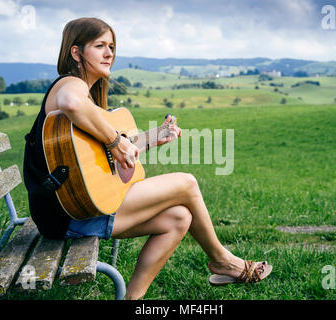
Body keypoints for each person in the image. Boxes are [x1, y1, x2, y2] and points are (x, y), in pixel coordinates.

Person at [23, 17, 272, 300]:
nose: (109, 54)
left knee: (179, 218)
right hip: (68, 213)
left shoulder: (90, 100)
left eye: (112, 47)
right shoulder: (70, 85)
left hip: (73, 212)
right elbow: (72, 105)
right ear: (76, 53)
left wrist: (154, 137)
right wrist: (115, 141)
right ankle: (223, 261)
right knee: (187, 183)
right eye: (100, 46)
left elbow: (98, 153)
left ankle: (133, 299)